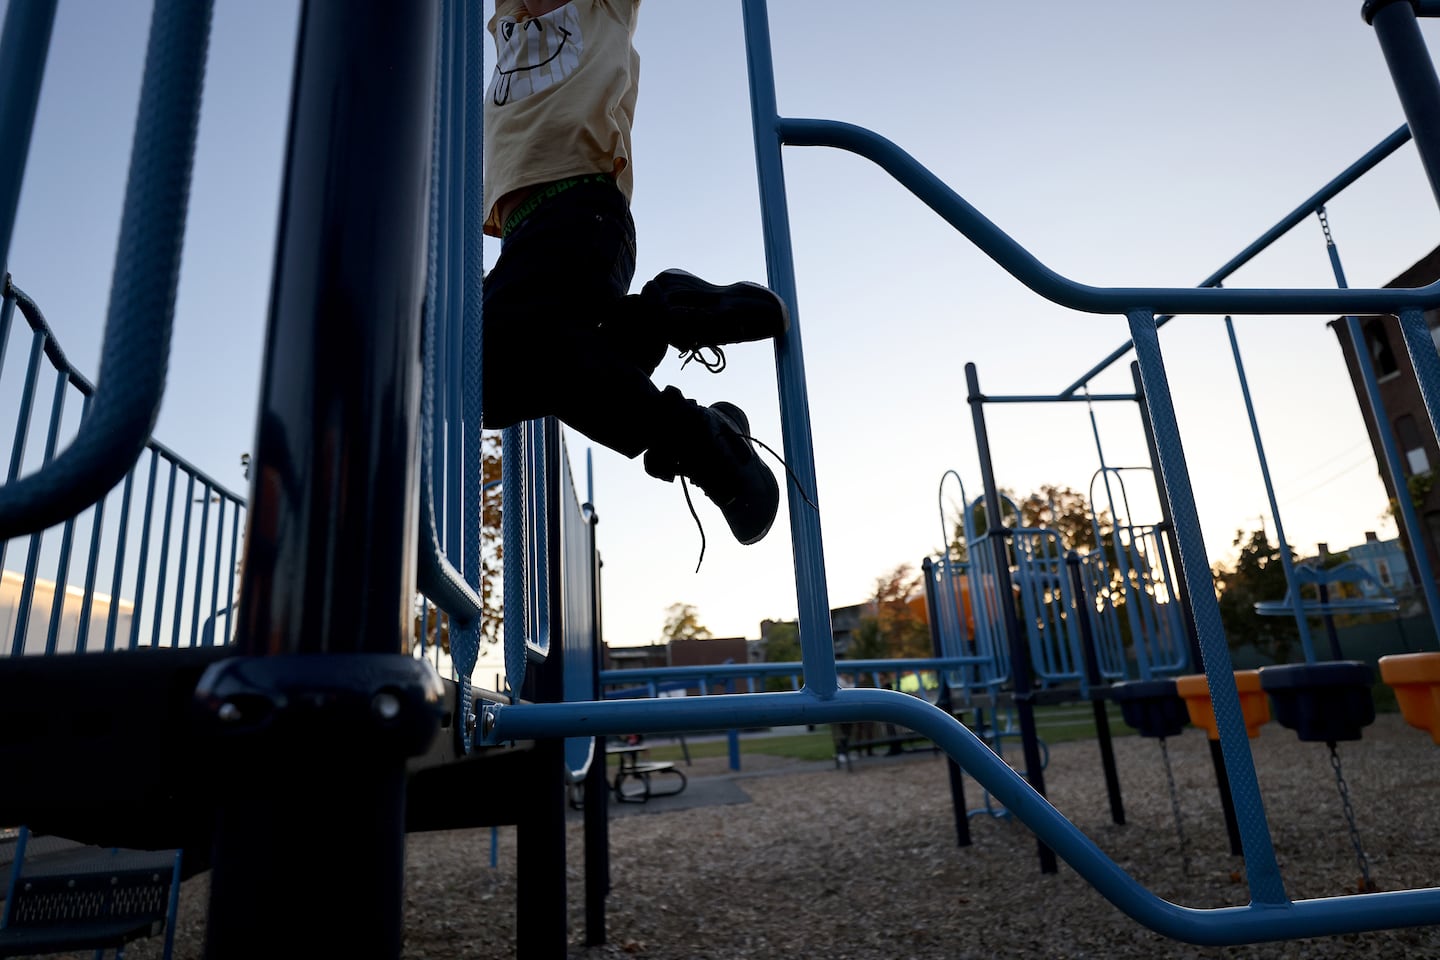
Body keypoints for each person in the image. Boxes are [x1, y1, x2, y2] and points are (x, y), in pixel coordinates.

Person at [481, 0, 788, 550]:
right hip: (528, 238)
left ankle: (698, 438)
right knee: (502, 375)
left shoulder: (601, 8)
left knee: (486, 365)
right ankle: (667, 316)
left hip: (580, 205)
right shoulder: (507, 20)